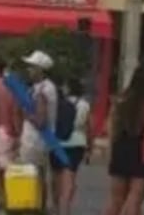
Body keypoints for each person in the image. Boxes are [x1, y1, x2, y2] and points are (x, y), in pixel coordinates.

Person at [103, 63, 144, 215]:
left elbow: (110, 128)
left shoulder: (121, 101)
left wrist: (111, 152)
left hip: (121, 149)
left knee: (115, 200)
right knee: (134, 199)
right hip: (142, 152)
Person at [18, 49, 59, 205]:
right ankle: (40, 206)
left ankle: (34, 207)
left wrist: (26, 113)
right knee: (40, 177)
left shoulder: (42, 90)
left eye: (31, 66)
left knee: (32, 178)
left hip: (34, 141)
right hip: (40, 141)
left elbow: (40, 121)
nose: (28, 70)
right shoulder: (46, 87)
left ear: (39, 70)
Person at [51, 77, 91, 215]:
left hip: (58, 143)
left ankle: (56, 207)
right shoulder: (85, 105)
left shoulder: (59, 104)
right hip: (76, 143)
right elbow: (88, 127)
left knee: (56, 178)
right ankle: (65, 209)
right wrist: (89, 148)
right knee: (69, 180)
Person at [0, 57, 22, 210]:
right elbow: (16, 111)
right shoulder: (11, 86)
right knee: (9, 167)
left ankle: (3, 198)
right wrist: (18, 132)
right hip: (8, 130)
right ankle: (10, 196)